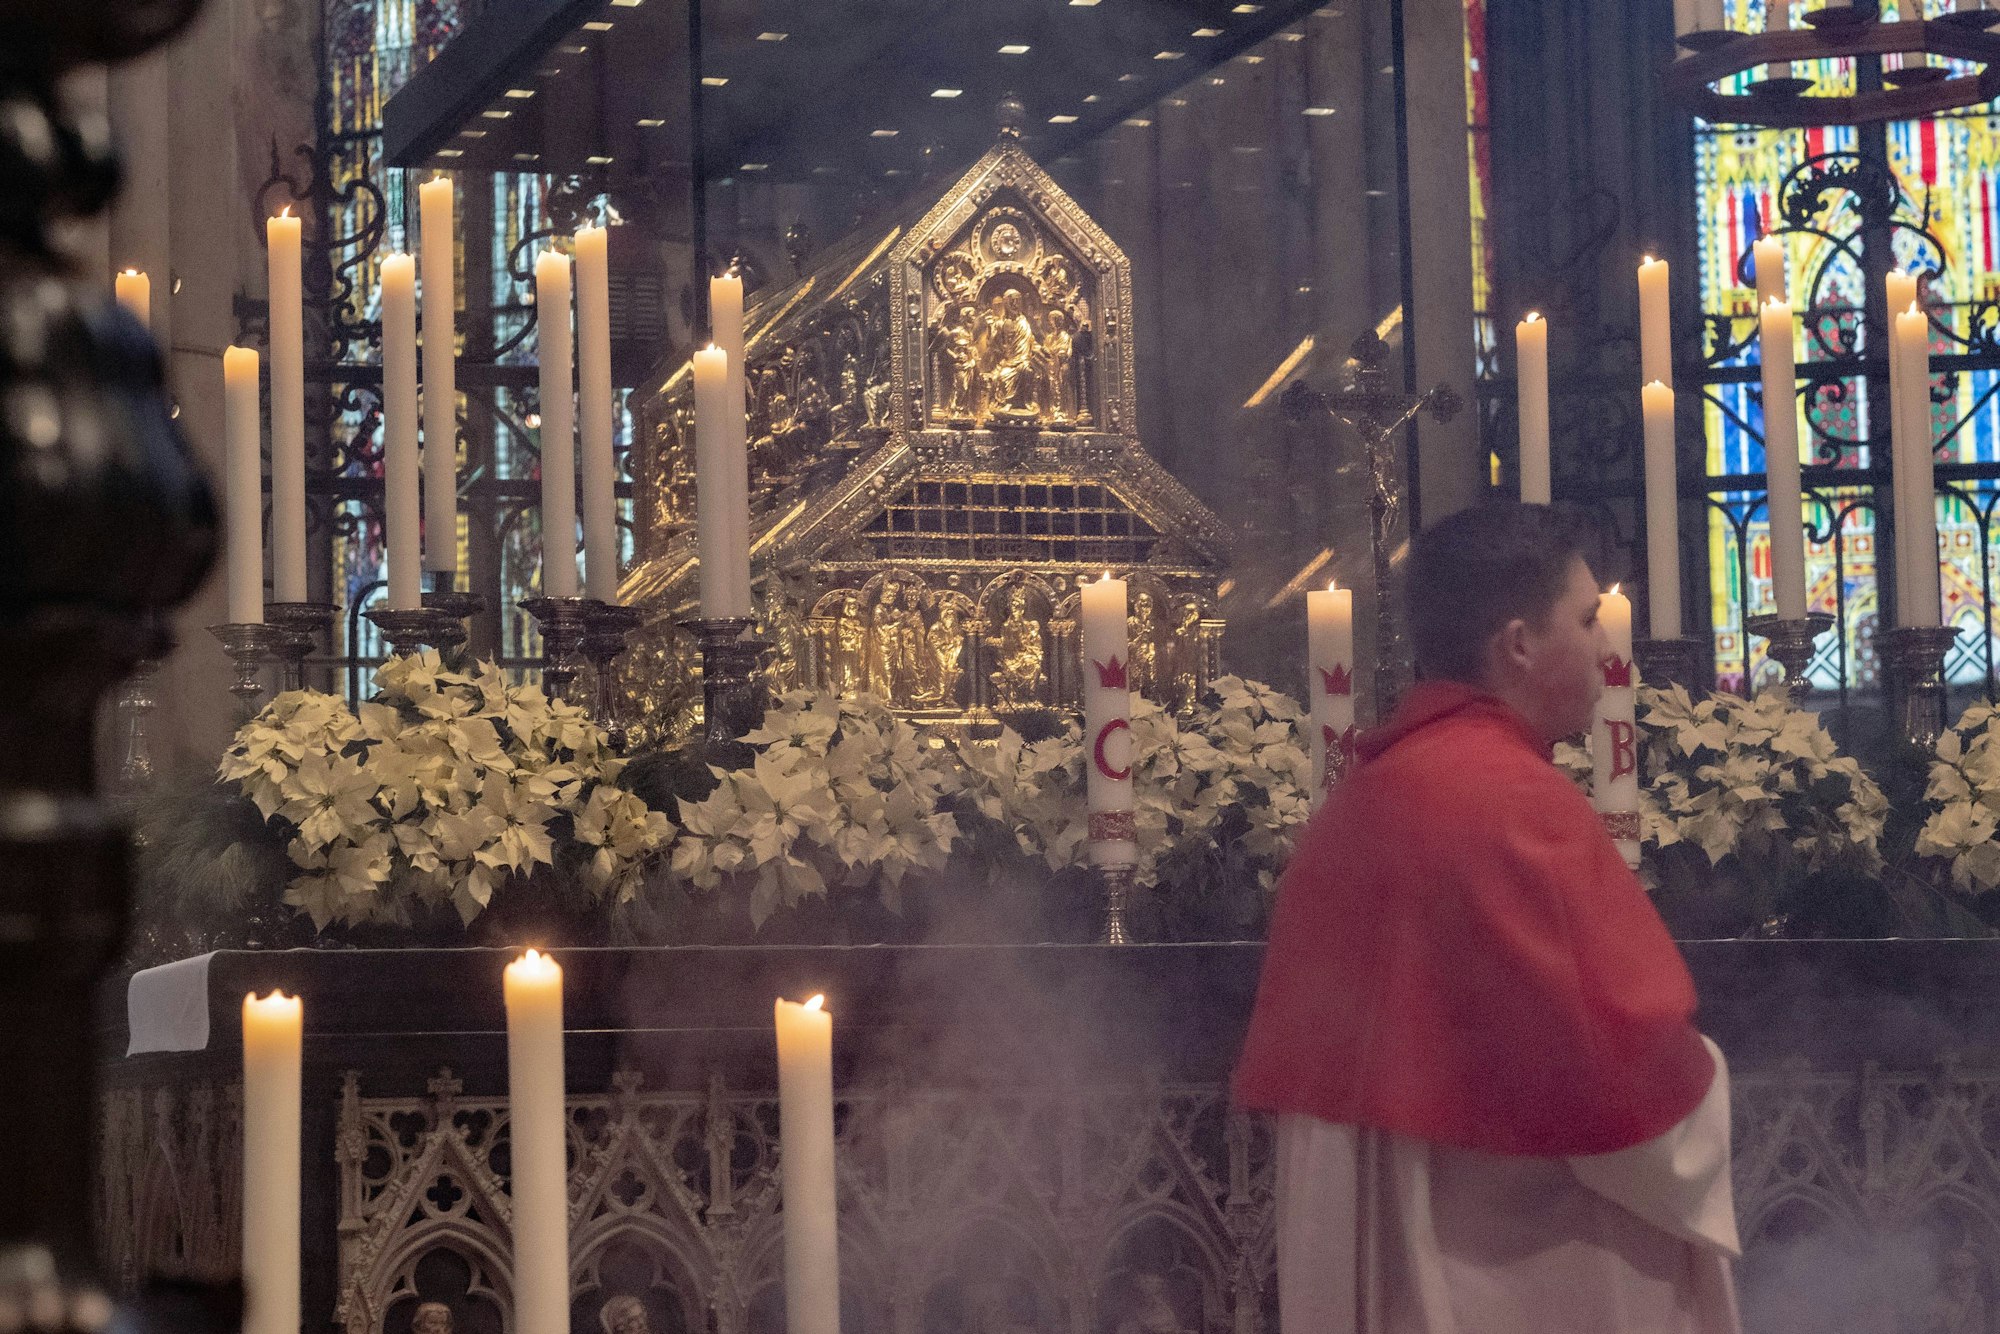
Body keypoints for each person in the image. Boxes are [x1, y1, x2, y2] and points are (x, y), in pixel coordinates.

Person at [1233, 502, 1741, 1334]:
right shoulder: (1513, 801)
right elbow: (1623, 1080)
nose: (1608, 649)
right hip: (1524, 1272)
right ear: (1519, 645)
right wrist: (1711, 1083)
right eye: (1588, 619)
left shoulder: (1363, 799)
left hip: (1399, 1258)